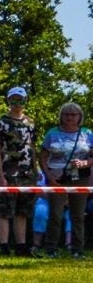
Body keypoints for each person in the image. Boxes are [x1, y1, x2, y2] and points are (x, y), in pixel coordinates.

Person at [38, 101, 91, 258]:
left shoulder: (87, 134)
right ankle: (51, 249)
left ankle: (77, 250)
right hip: (57, 177)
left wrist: (85, 163)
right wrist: (49, 177)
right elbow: (42, 158)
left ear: (79, 117)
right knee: (55, 213)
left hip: (80, 177)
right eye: (66, 114)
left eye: (73, 114)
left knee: (78, 215)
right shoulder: (52, 133)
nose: (70, 117)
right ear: (61, 116)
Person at [0, 85, 38, 257]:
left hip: (27, 174)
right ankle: (4, 246)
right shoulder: (1, 123)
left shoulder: (30, 123)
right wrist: (0, 174)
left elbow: (32, 147)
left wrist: (35, 170)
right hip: (9, 172)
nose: (17, 103)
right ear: (9, 101)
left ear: (25, 100)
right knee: (4, 210)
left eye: (20, 99)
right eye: (14, 99)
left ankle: (21, 246)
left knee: (22, 211)